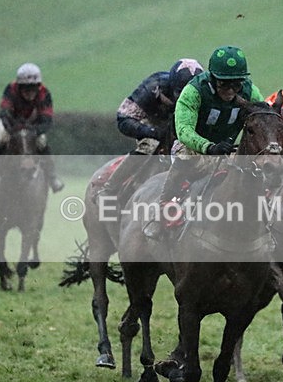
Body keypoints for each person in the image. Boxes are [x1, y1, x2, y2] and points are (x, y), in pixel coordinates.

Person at [144, 45, 265, 238]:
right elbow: (183, 130)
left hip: (228, 148)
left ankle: (264, 220)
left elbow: (262, 118)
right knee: (184, 159)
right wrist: (209, 147)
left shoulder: (250, 91)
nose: (231, 90)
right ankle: (163, 211)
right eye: (224, 83)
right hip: (193, 147)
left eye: (236, 84)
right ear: (213, 78)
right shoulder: (194, 91)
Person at [99, 58, 204, 198]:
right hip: (149, 121)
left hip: (180, 124)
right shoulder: (154, 86)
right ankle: (110, 189)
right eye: (181, 93)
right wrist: (152, 132)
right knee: (150, 144)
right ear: (171, 86)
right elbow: (124, 118)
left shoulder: (206, 92)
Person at [0, 63, 64, 192]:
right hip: (12, 123)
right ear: (20, 86)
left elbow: (47, 119)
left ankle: (53, 179)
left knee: (42, 143)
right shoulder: (11, 89)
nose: (30, 92)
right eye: (26, 88)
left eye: (33, 88)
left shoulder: (45, 93)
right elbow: (5, 112)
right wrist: (12, 130)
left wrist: (34, 131)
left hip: (34, 126)